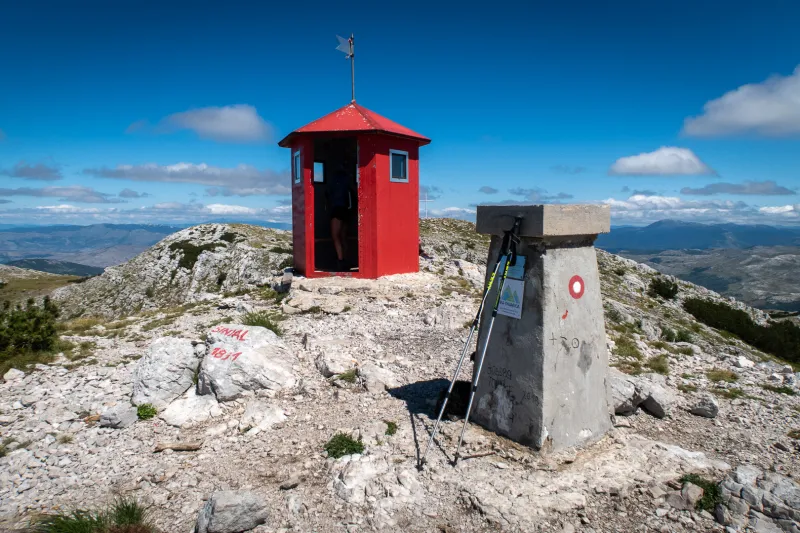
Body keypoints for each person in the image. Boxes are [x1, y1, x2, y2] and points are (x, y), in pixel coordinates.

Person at [328, 162, 352, 271]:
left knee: (335, 236)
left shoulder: (334, 179)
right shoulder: (348, 178)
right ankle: (346, 259)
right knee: (343, 236)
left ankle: (340, 261)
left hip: (337, 208)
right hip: (346, 209)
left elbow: (329, 193)